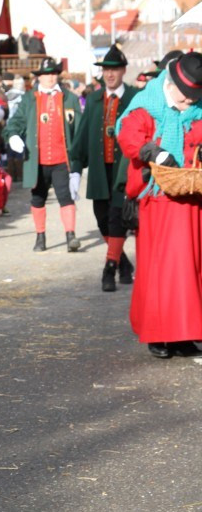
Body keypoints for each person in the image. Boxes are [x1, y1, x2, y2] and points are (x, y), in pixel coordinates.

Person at [117, 52, 202, 359]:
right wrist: (151, 150)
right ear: (172, 85)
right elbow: (126, 133)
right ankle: (159, 335)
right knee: (161, 270)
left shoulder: (195, 105)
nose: (190, 104)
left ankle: (185, 334)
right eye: (186, 97)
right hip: (159, 199)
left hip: (192, 197)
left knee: (191, 269)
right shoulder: (148, 102)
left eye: (196, 98)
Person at [69, 44, 138, 292]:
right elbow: (82, 136)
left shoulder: (133, 98)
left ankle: (109, 268)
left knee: (117, 218)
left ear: (123, 71)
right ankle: (124, 263)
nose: (109, 75)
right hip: (100, 171)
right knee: (102, 220)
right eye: (106, 70)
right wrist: (76, 168)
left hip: (123, 171)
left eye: (115, 69)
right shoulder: (95, 100)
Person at [3, 56, 82, 252]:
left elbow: (79, 130)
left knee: (66, 197)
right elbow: (15, 123)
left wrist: (78, 163)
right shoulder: (29, 98)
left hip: (61, 159)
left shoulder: (69, 98)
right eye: (46, 74)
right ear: (39, 77)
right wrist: (13, 135)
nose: (50, 78)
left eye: (54, 73)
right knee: (37, 198)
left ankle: (70, 235)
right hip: (37, 160)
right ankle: (40, 237)